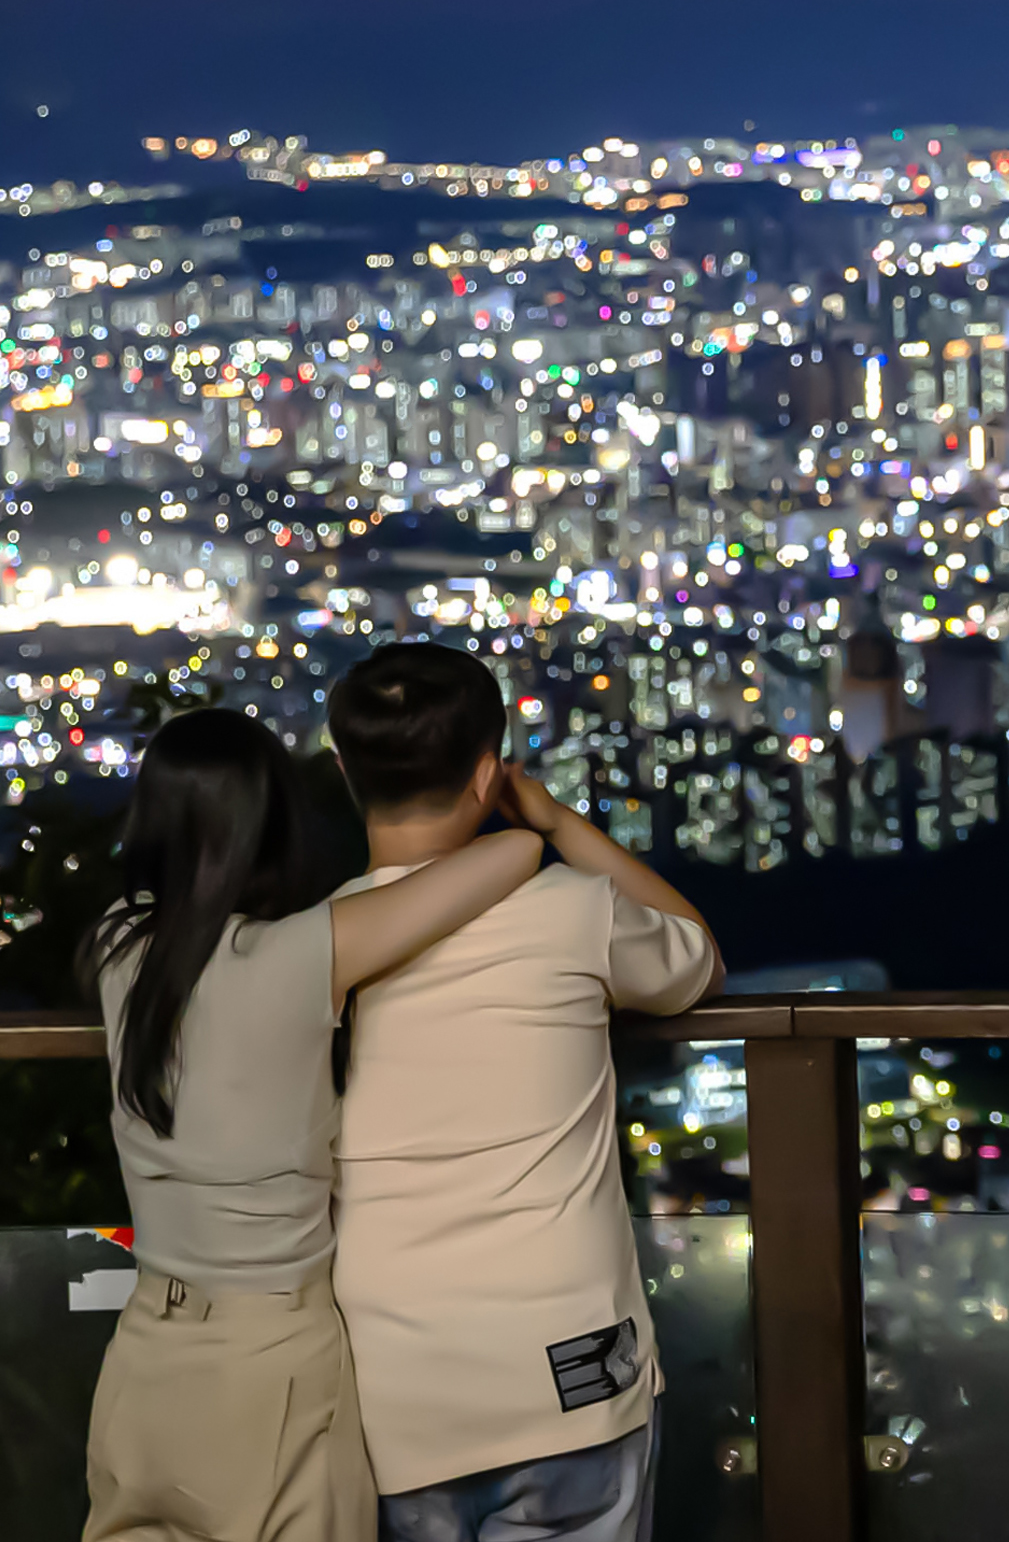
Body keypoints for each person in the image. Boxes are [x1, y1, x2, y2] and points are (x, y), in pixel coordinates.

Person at [81, 707, 548, 1542]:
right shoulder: (301, 954)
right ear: (270, 826)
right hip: (272, 1363)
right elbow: (514, 854)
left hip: (145, 1351)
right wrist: (522, 803)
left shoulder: (119, 947)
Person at [322, 641, 721, 1542]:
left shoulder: (319, 945)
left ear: (345, 772)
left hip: (391, 1389)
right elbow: (696, 958)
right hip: (571, 1371)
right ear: (486, 775)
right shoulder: (574, 911)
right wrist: (554, 820)